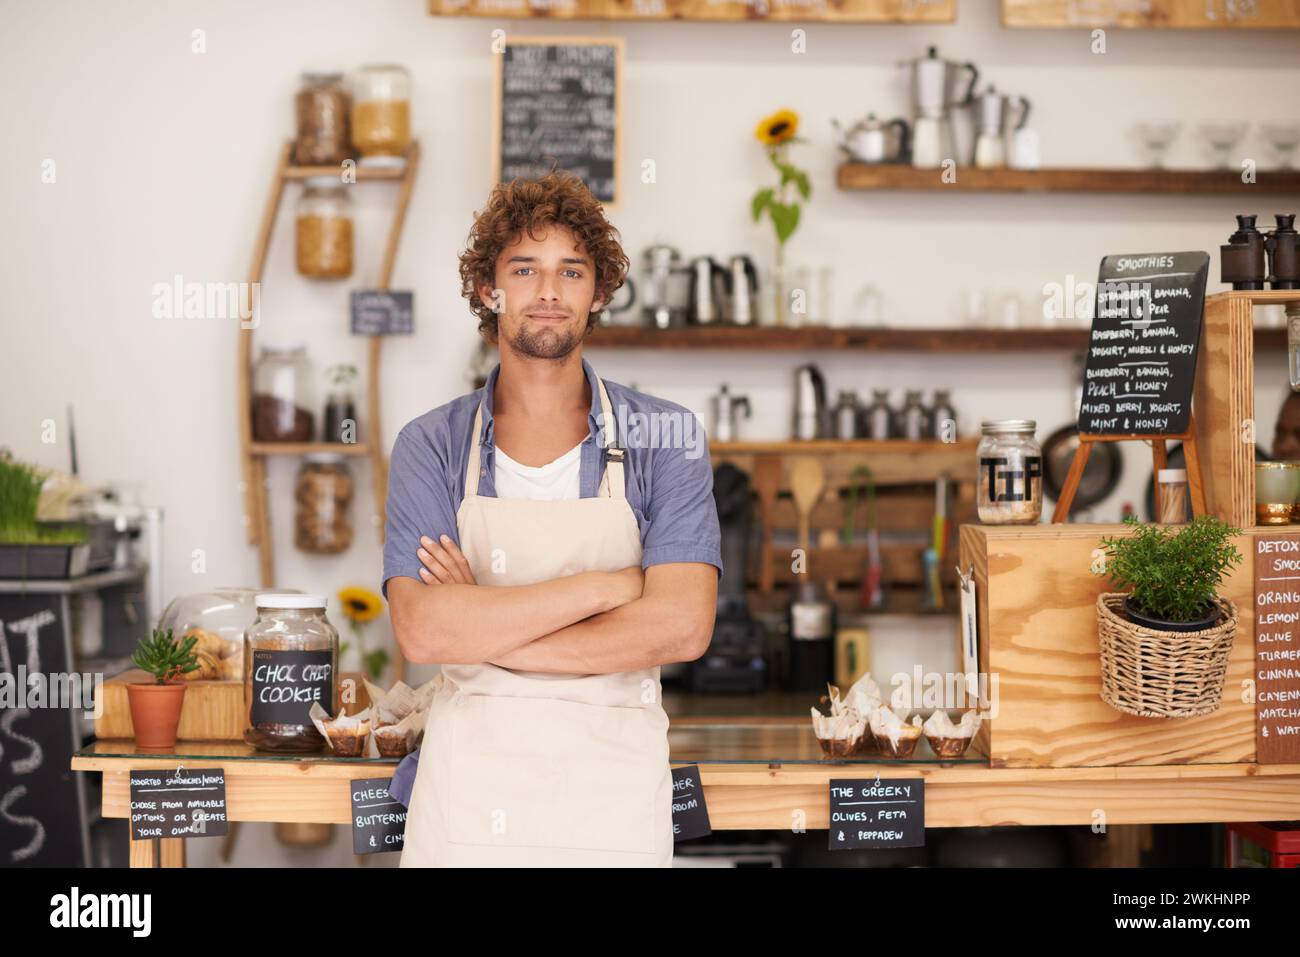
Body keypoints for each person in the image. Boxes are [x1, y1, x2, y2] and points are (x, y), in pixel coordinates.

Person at [381, 170, 722, 867]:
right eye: (524, 269)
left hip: (614, 806)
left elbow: (682, 625)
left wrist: (483, 627)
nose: (547, 291)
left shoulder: (667, 435)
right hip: (467, 802)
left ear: (598, 292)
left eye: (571, 270)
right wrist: (607, 587)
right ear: (488, 288)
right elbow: (423, 628)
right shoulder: (432, 445)